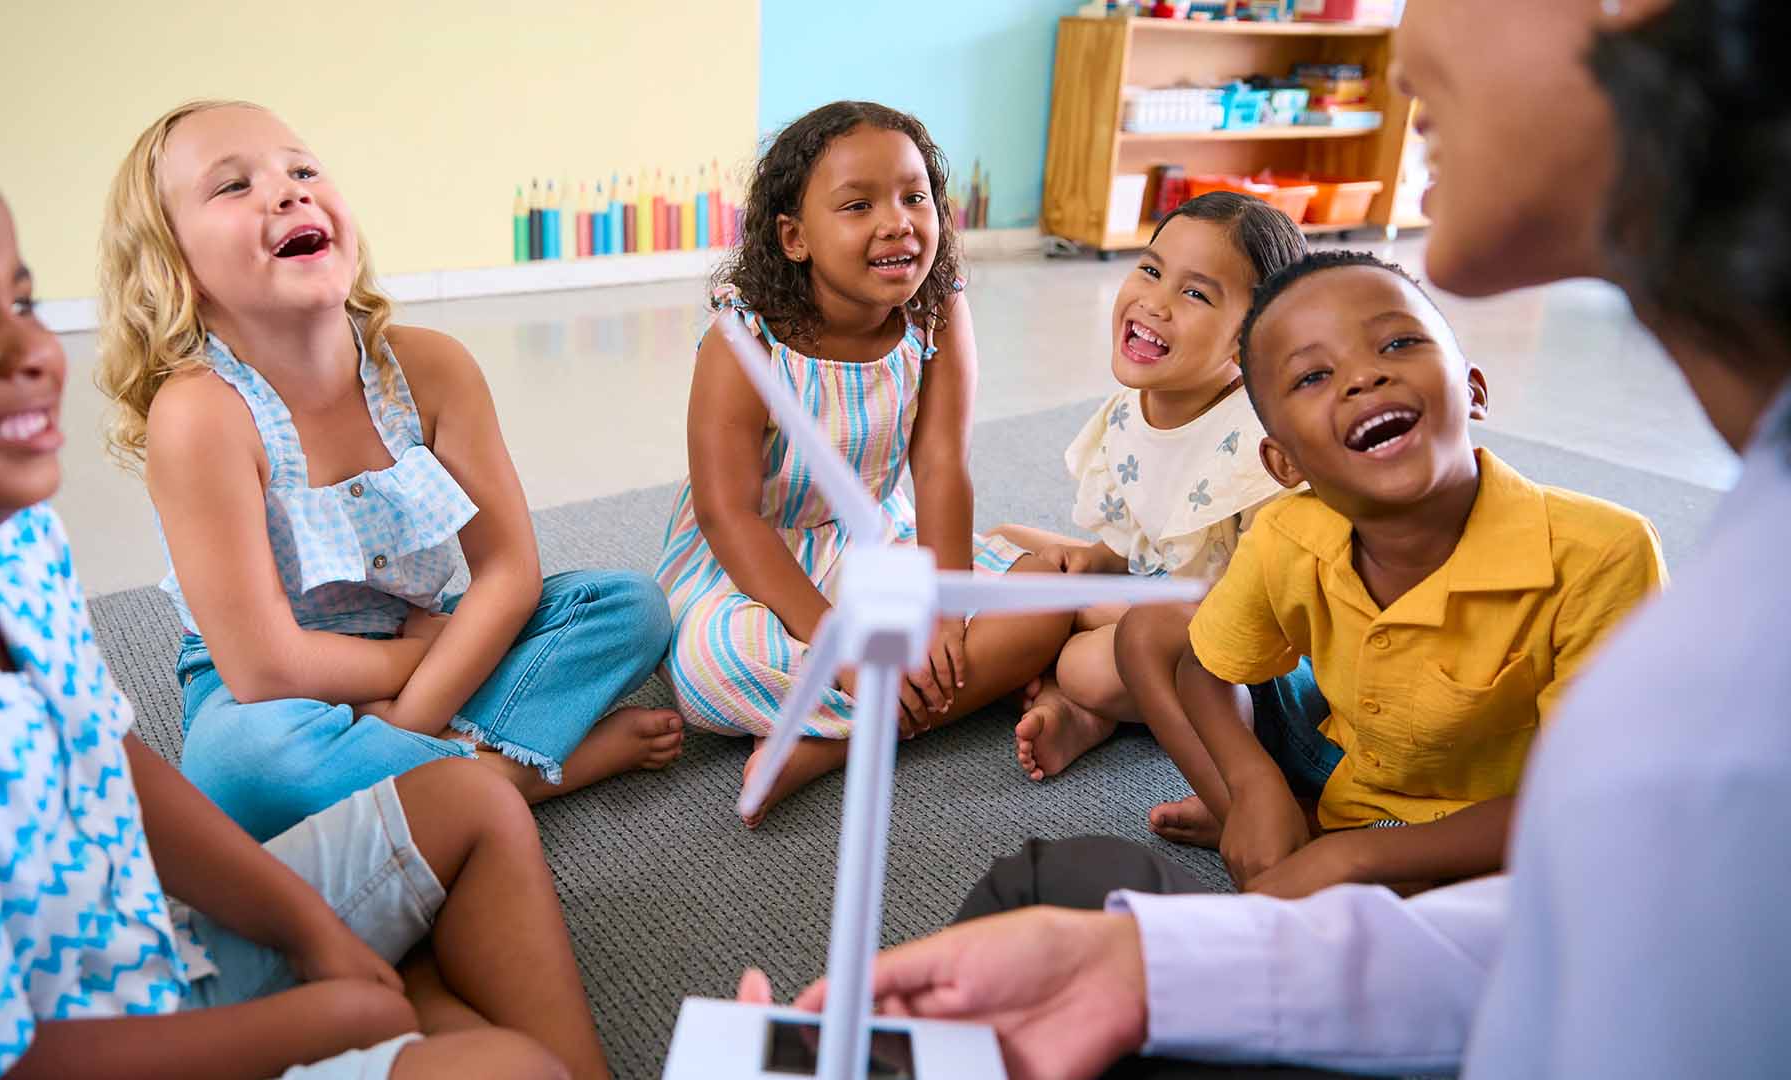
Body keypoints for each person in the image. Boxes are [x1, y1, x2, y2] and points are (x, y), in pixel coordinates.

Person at [740, 0, 1791, 1075]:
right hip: (1373, 861)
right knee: (1053, 876)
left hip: (1421, 873)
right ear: (1283, 454)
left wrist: (1338, 873)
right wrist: (1186, 943)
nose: (1402, 49)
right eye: (1311, 376)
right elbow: (1550, 952)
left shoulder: (1672, 614)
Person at [0, 74, 604, 1079]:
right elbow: (1, 1066)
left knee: (478, 801)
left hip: (173, 941)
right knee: (500, 1061)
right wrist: (327, 1017)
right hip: (95, 1040)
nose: (35, 349)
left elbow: (115, 760)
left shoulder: (11, 546)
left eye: (23, 299)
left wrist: (315, 932)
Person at [97, 100, 681, 841]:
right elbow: (265, 670)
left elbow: (507, 572)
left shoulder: (433, 368)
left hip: (427, 648)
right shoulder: (200, 415)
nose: (287, 190)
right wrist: (427, 654)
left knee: (628, 608)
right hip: (278, 692)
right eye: (233, 186)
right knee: (240, 772)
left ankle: (418, 779)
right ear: (174, 264)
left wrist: (409, 713)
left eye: (302, 169)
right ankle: (508, 776)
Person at [1121, 249, 1662, 897]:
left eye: (1399, 343)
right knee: (1151, 633)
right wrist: (1251, 785)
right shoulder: (1290, 530)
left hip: (1484, 826)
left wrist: (1355, 861)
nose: (1363, 378)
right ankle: (1276, 828)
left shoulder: (1603, 552)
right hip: (1340, 767)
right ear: (1284, 463)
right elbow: (1204, 672)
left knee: (1562, 890)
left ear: (1472, 389)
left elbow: (1589, 799)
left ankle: (1312, 853)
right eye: (1313, 376)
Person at [655, 101, 1071, 825]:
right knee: (708, 669)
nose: (897, 221)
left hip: (873, 542)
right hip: (750, 558)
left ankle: (835, 741)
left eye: (915, 197)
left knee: (1038, 602)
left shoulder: (938, 310)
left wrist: (943, 612)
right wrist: (832, 637)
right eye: (858, 205)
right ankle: (917, 702)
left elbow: (942, 464)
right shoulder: (743, 338)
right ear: (793, 238)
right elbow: (729, 514)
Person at [994, 192, 1308, 783]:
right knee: (1007, 538)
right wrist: (1093, 560)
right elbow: (1137, 533)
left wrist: (1097, 601)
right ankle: (1088, 713)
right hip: (1166, 591)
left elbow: (1264, 612)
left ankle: (1081, 701)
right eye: (1151, 270)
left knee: (1086, 662)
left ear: (1252, 337)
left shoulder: (1259, 446)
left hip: (1248, 652)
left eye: (1194, 294)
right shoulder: (1128, 411)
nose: (1155, 302)